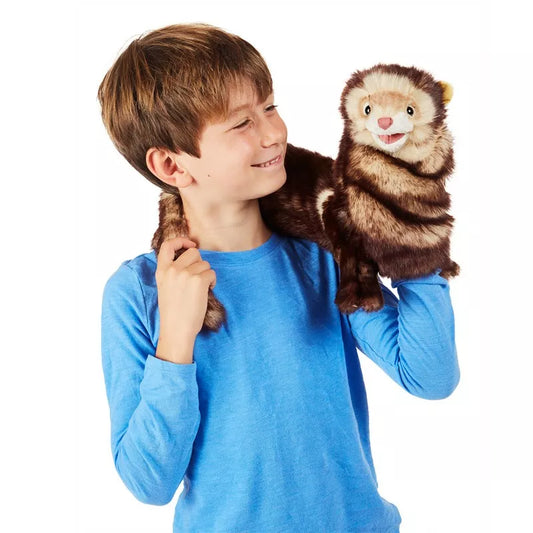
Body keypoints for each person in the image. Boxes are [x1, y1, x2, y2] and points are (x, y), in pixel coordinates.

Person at [98, 23, 460, 532]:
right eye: (240, 123)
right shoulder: (138, 294)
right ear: (171, 165)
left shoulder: (322, 257)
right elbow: (149, 482)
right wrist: (175, 341)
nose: (273, 132)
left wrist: (410, 229)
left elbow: (429, 375)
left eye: (269, 107)